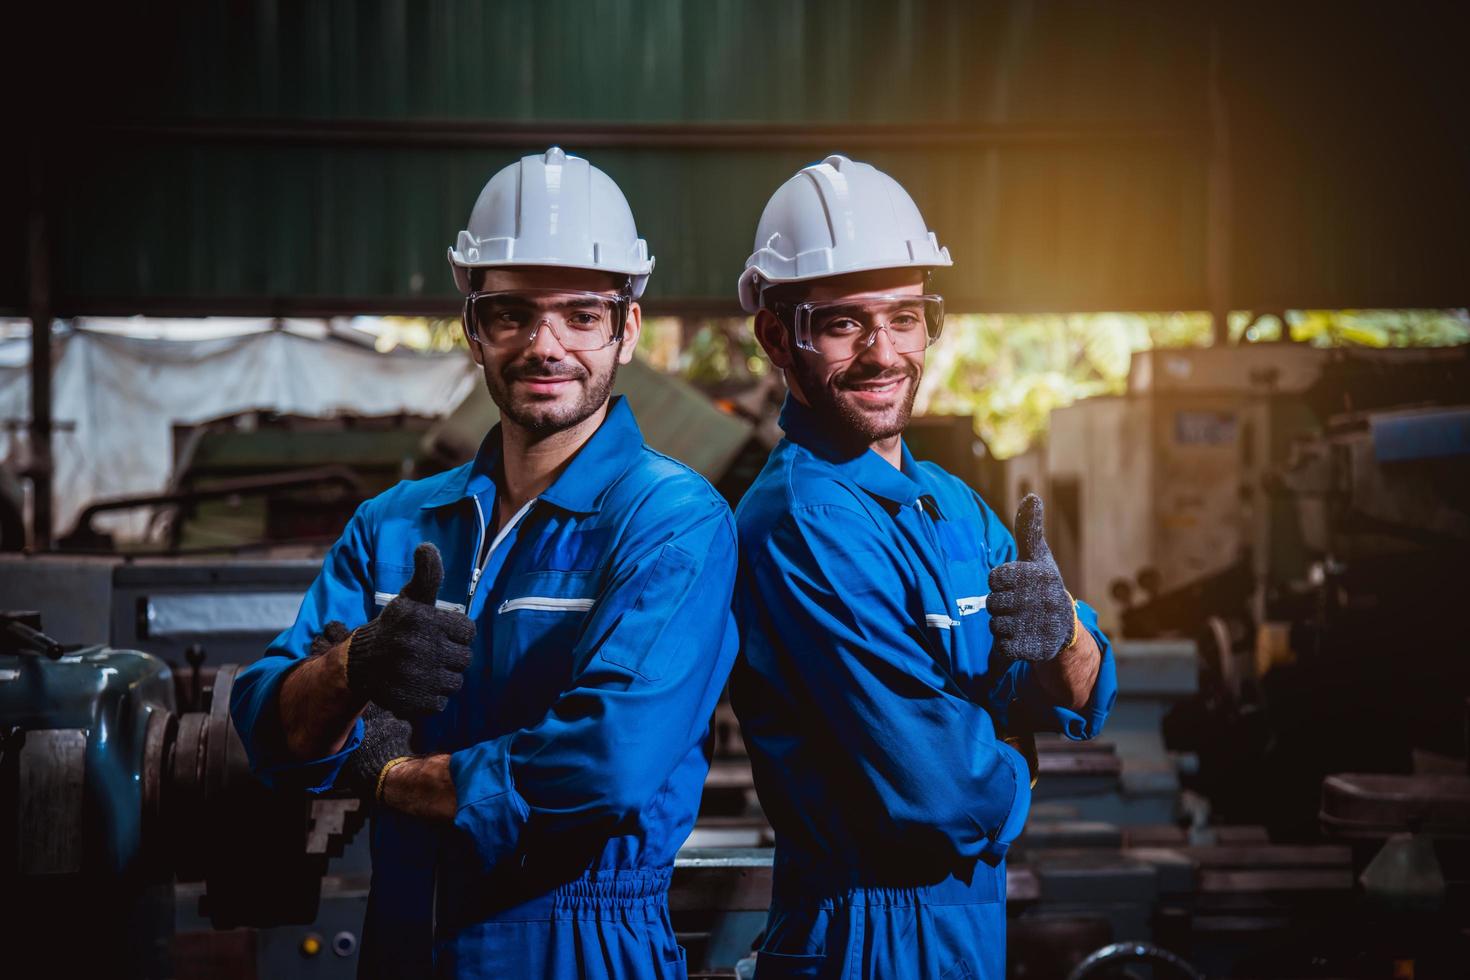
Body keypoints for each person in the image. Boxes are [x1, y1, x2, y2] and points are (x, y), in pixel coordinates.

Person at [230, 146, 738, 979]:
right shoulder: (393, 524)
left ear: (627, 328)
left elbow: (603, 766)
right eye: (511, 313)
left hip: (580, 942)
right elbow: (267, 726)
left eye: (581, 313)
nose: (546, 345)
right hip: (403, 934)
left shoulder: (671, 523)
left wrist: (387, 776)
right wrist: (352, 667)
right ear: (472, 328)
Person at [730, 155, 1117, 979]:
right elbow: (941, 794)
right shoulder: (804, 521)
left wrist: (1065, 646)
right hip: (865, 935)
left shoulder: (948, 501)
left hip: (964, 927)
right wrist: (1022, 755)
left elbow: (1084, 693)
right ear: (776, 336)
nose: (883, 352)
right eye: (842, 324)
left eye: (905, 317)